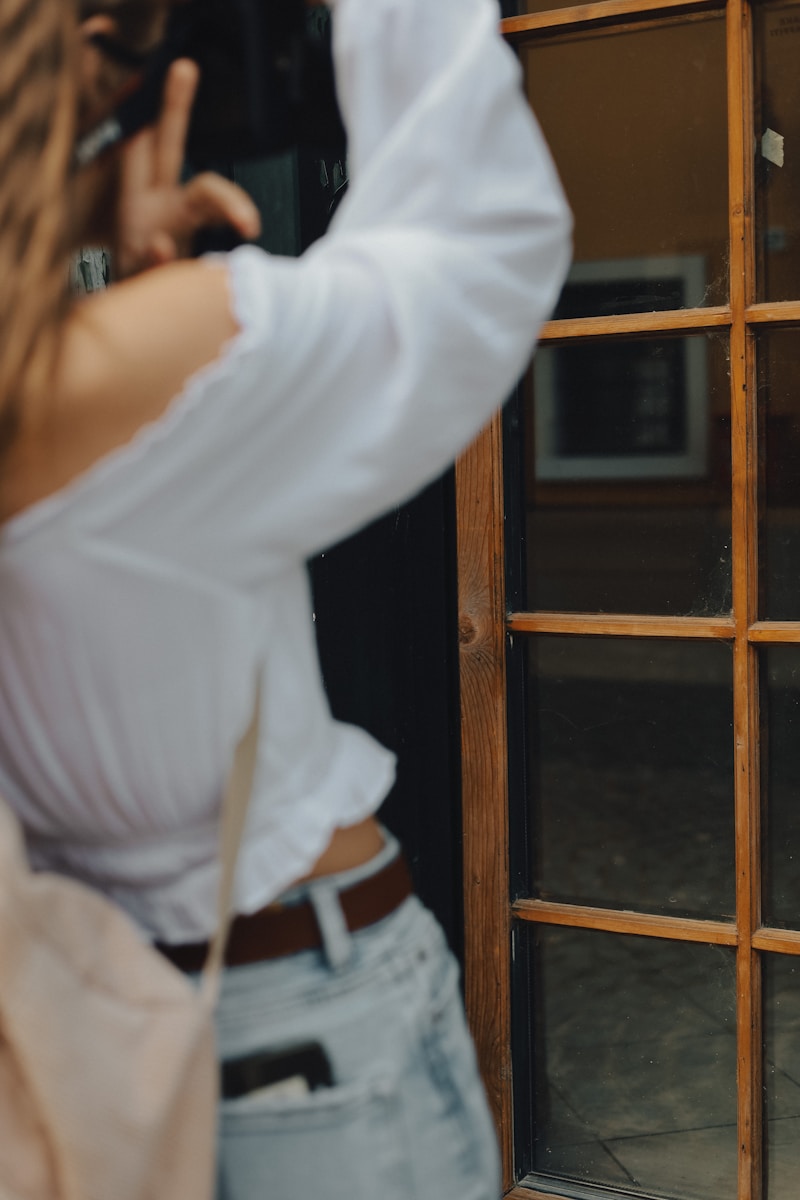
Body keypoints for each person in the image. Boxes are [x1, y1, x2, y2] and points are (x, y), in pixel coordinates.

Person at [0, 0, 571, 1197]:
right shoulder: (120, 364)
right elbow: (481, 253)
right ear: (93, 80)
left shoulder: (62, 380)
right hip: (291, 1030)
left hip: (85, 1038)